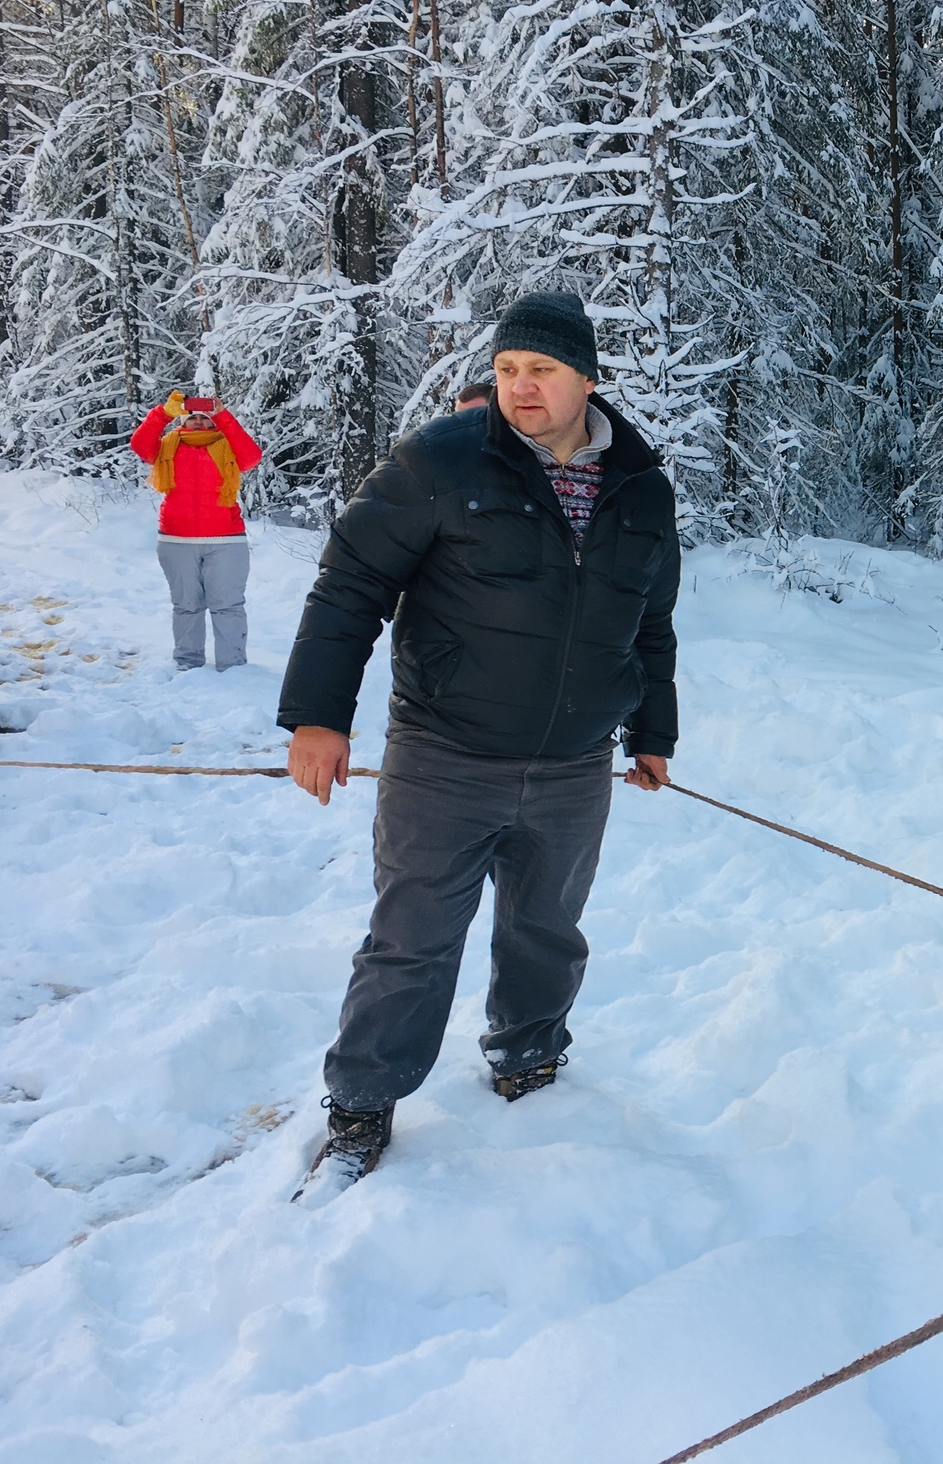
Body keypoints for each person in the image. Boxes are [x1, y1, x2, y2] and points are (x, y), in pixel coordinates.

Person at [277, 291, 682, 1189]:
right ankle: (361, 1104)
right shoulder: (442, 459)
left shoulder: (643, 487)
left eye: (540, 370)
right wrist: (317, 717)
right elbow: (350, 583)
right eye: (505, 370)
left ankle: (529, 1055)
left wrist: (652, 729)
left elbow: (650, 622)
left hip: (576, 761)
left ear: (587, 378)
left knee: (546, 929)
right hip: (446, 755)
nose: (519, 388)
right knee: (413, 937)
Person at [128, 392, 263, 672]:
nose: (199, 423)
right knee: (186, 605)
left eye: (205, 418)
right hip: (176, 540)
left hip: (226, 540)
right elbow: (140, 445)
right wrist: (163, 413)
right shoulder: (167, 446)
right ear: (183, 421)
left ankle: (234, 667)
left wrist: (223, 416)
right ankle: (188, 665)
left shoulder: (228, 446)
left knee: (228, 606)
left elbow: (251, 457)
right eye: (193, 418)